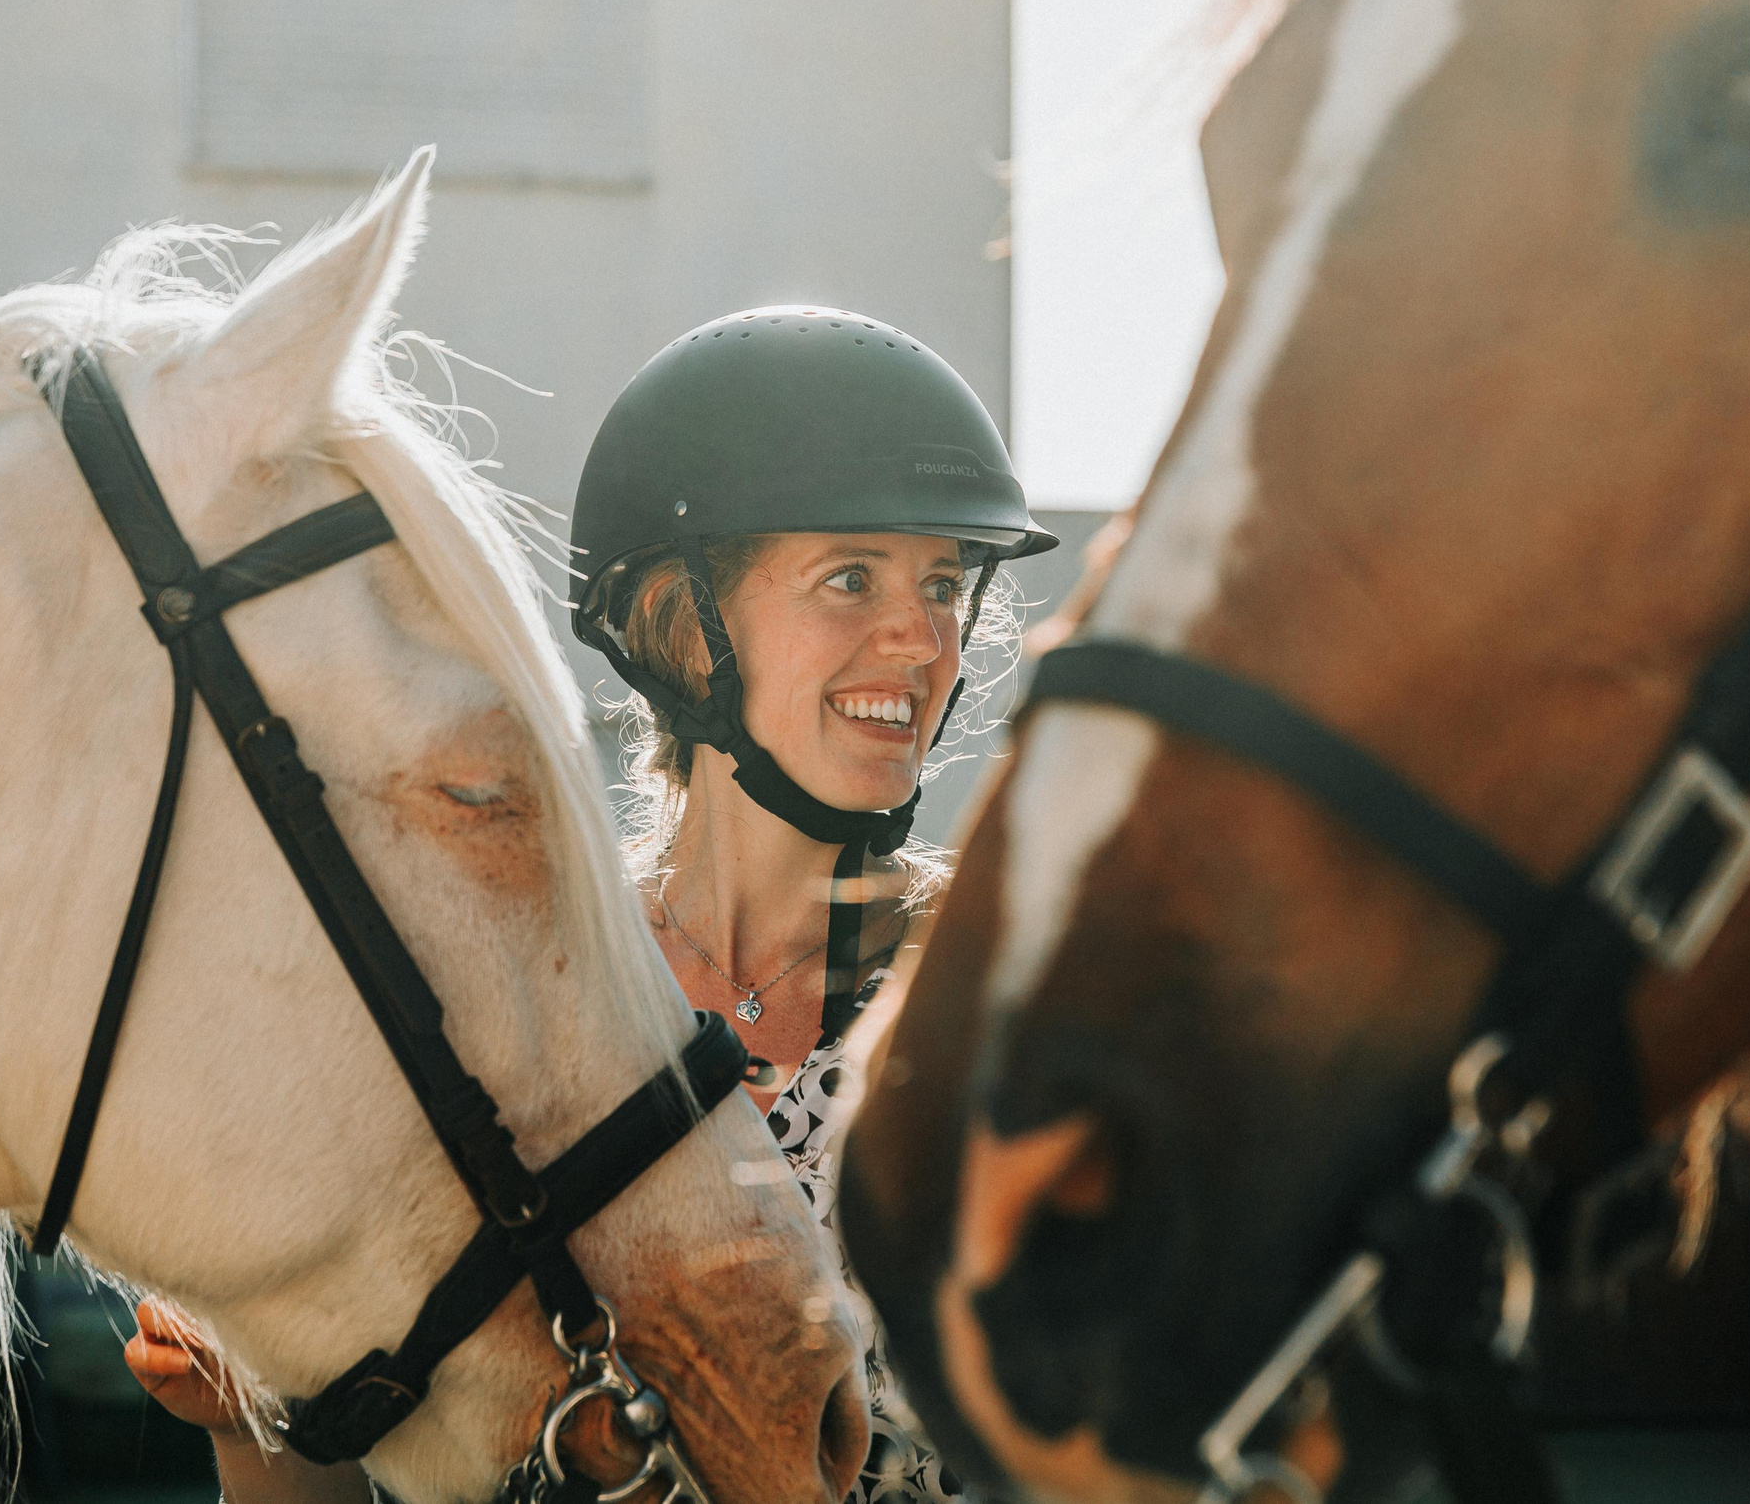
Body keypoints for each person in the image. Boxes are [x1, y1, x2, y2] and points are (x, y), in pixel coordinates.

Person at [125, 306, 1056, 1504]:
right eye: (849, 577)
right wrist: (251, 1419)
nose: (922, 636)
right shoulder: (499, 1000)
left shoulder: (1022, 1002)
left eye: (944, 582)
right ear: (680, 620)